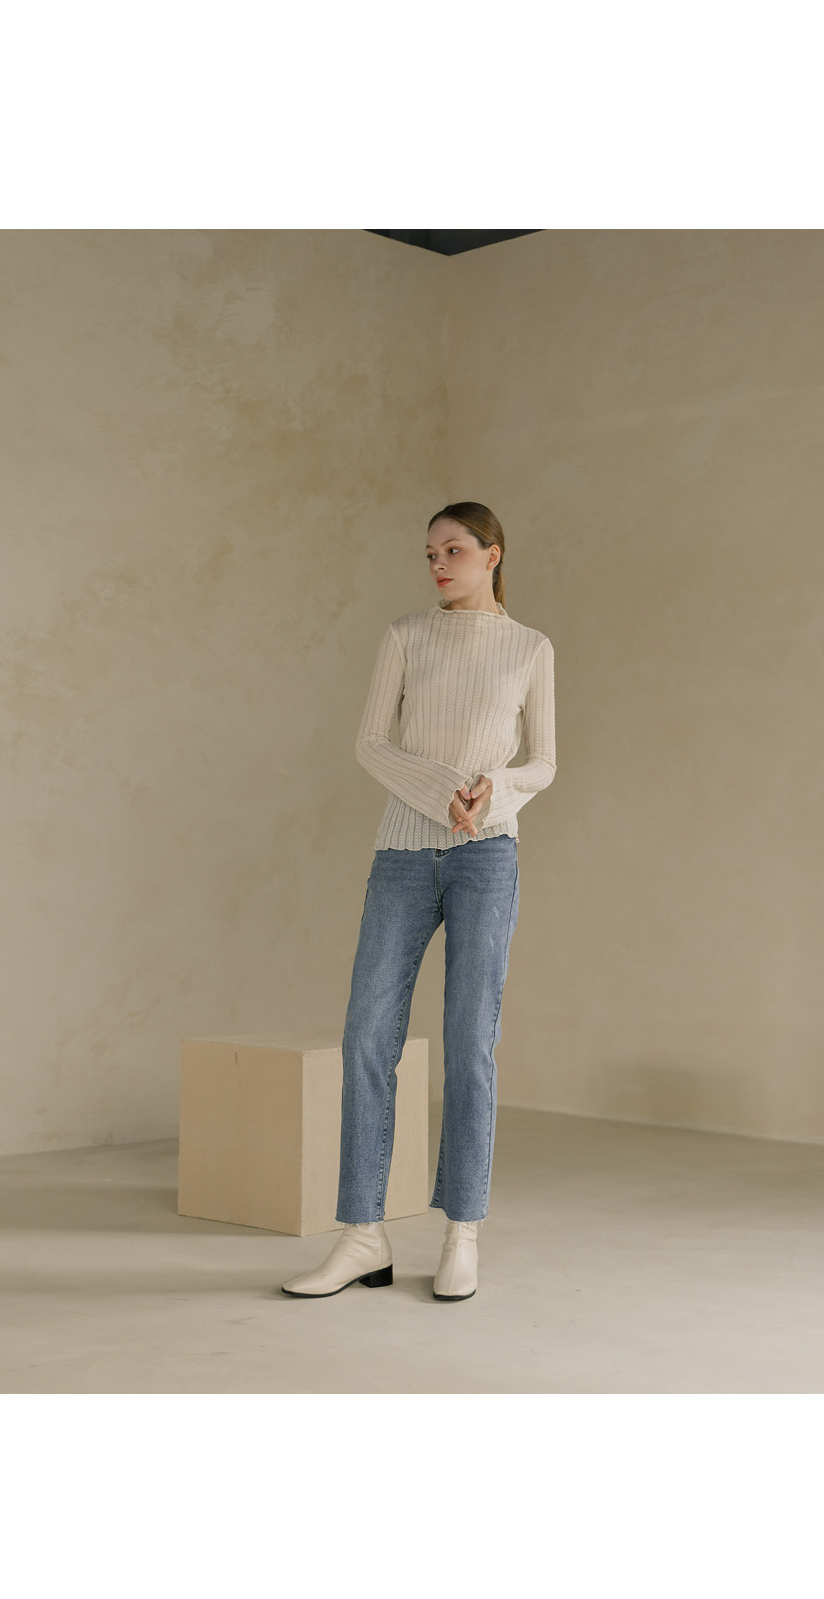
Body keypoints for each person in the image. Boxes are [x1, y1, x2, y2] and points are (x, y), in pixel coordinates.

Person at [281, 503, 555, 1302]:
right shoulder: (406, 636)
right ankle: (362, 1237)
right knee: (368, 1037)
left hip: (488, 857)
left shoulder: (531, 648)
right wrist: (445, 794)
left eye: (454, 550)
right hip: (401, 857)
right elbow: (371, 742)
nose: (438, 563)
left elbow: (543, 762)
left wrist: (491, 789)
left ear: (492, 556)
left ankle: (461, 1234)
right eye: (430, 552)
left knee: (471, 1045)